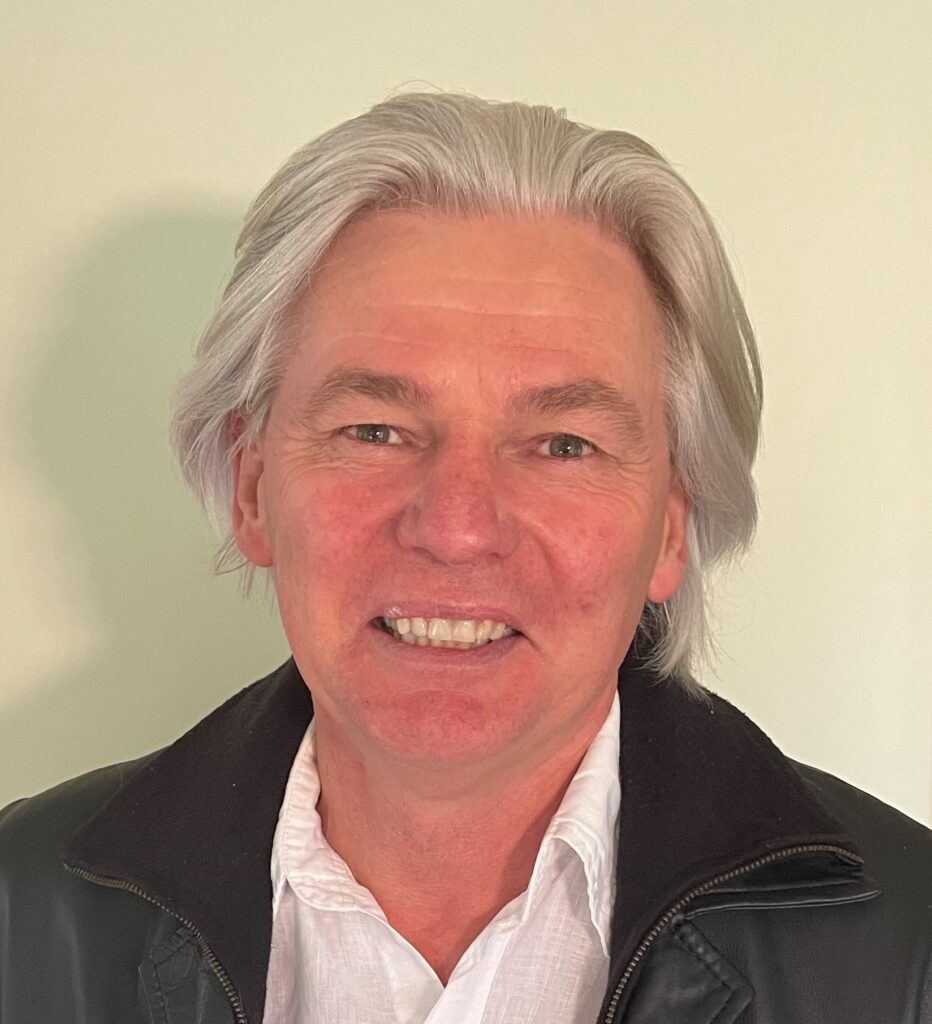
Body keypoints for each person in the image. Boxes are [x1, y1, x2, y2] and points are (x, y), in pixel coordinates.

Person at [1, 91, 929, 1024]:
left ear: (672, 525)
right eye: (374, 430)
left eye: (563, 445)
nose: (456, 528)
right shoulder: (18, 911)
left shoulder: (913, 951)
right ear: (253, 491)